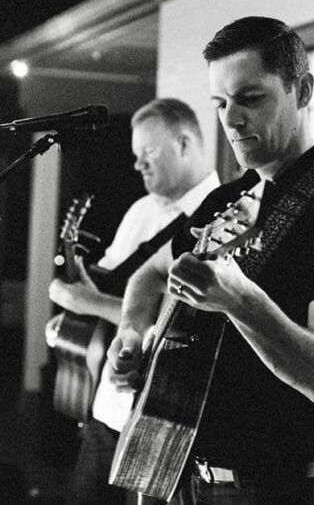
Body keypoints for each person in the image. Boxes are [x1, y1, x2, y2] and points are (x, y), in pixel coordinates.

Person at [107, 17, 314, 505]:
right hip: (182, 472)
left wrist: (239, 300)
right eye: (220, 103)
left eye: (251, 98)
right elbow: (151, 272)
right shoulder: (226, 199)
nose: (231, 119)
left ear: (302, 90)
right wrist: (132, 334)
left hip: (279, 489)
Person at [45, 97, 220, 505]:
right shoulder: (141, 210)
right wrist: (75, 311)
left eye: (148, 152)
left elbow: (181, 320)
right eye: (136, 154)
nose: (138, 164)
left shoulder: (217, 218)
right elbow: (106, 286)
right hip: (106, 406)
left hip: (161, 416)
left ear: (183, 144)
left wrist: (86, 303)